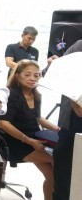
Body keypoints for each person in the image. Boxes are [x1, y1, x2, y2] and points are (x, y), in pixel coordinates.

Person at [0, 60, 59, 200]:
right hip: (15, 141)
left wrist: (56, 128)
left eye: (36, 76)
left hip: (34, 140)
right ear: (18, 75)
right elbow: (3, 123)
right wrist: (30, 141)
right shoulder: (12, 94)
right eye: (28, 75)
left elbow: (37, 118)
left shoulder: (36, 95)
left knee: (54, 178)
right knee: (58, 162)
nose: (33, 78)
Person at [51, 39, 82, 200]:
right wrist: (54, 65)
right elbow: (55, 74)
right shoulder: (79, 46)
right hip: (71, 121)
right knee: (63, 166)